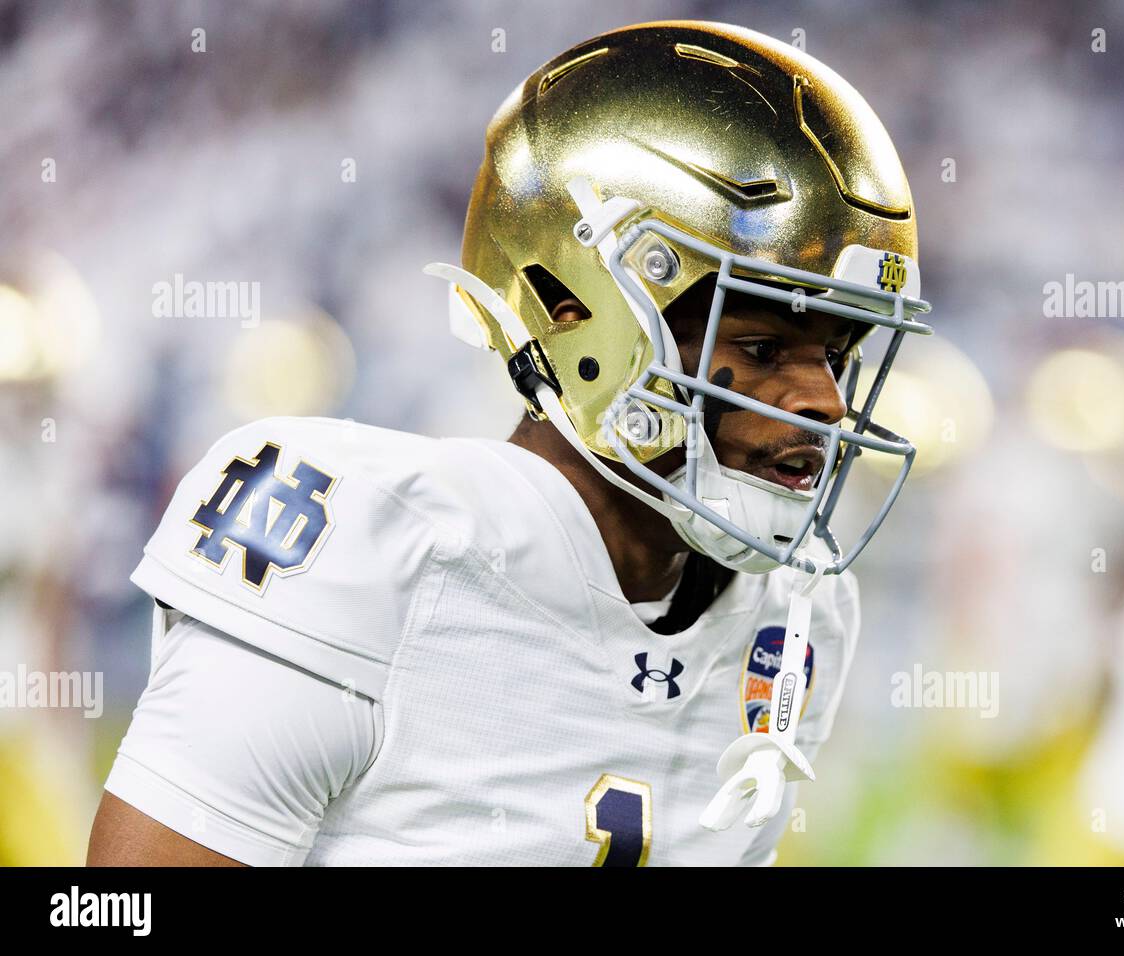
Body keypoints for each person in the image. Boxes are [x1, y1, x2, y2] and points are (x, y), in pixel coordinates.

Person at [87, 20, 932, 866]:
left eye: (835, 354)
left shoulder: (791, 621)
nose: (823, 401)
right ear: (574, 312)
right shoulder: (369, 544)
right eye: (760, 347)